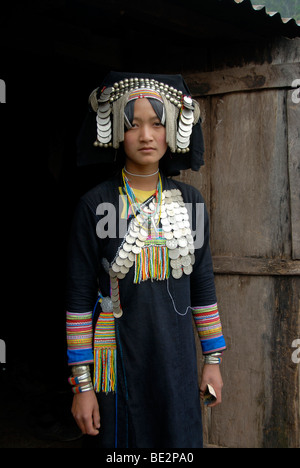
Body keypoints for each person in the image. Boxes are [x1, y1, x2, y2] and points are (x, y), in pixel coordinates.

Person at [66, 72, 226, 448]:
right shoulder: (95, 204)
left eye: (157, 123)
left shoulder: (191, 203)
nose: (146, 136)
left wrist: (213, 361)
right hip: (116, 358)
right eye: (133, 124)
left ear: (172, 130)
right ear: (116, 132)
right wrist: (82, 385)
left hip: (176, 359)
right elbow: (77, 298)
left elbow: (202, 284)